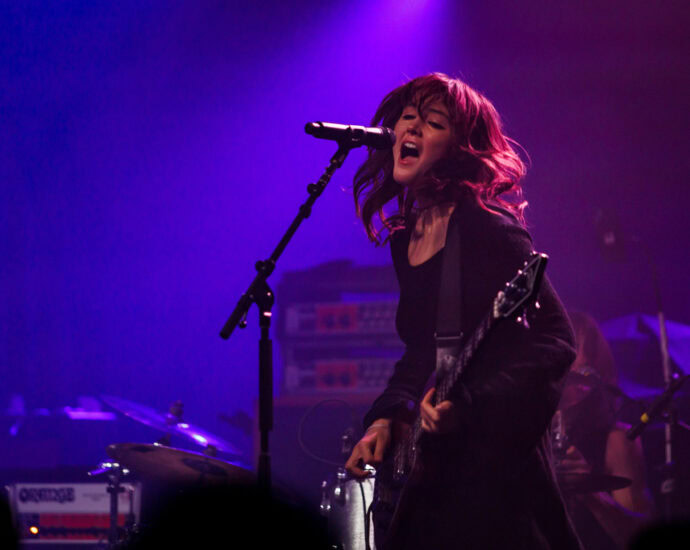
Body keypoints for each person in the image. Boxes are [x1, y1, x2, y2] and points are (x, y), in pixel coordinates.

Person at [344, 73, 581, 549]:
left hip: (494, 475)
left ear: (459, 150)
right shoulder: (405, 240)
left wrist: (472, 405)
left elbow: (556, 340)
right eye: (407, 117)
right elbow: (421, 352)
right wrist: (387, 418)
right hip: (436, 476)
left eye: (433, 123)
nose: (411, 129)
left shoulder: (489, 228)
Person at [556, 311, 654, 549]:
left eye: (588, 357)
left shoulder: (616, 441)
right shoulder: (525, 433)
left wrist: (591, 492)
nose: (581, 364)